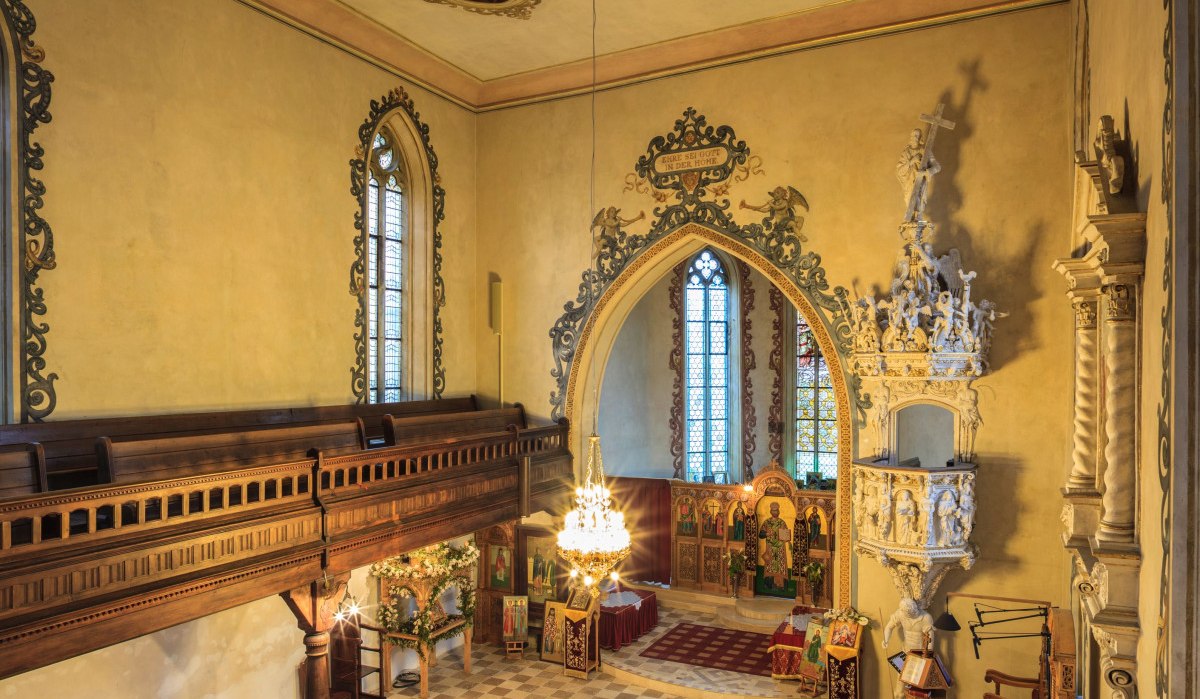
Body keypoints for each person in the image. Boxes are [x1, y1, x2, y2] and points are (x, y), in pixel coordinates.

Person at [758, 502, 792, 591]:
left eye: (776, 510)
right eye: (773, 510)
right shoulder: (767, 522)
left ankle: (781, 585)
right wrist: (766, 533)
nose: (775, 512)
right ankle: (769, 584)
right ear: (770, 511)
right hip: (770, 548)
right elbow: (760, 535)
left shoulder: (781, 522)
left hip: (780, 548)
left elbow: (786, 535)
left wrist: (786, 537)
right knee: (770, 565)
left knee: (780, 566)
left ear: (779, 511)